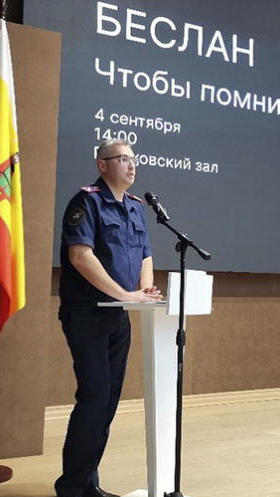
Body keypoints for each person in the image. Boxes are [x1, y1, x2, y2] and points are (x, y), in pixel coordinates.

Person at [56, 139, 161, 497]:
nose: (132, 165)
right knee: (95, 397)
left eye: (134, 159)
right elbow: (80, 256)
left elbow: (145, 254)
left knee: (108, 401)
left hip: (120, 318)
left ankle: (88, 483)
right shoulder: (87, 201)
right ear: (102, 165)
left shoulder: (136, 207)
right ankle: (73, 487)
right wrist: (125, 294)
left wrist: (144, 291)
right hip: (87, 315)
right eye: (123, 159)